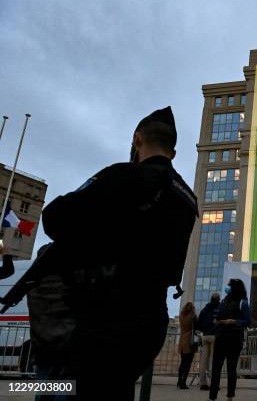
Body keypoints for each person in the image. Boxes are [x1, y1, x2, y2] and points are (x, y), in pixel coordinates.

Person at [36, 106, 198, 399]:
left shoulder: (126, 176)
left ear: (137, 139)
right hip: (149, 319)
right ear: (172, 151)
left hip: (105, 314)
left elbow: (55, 218)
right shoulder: (186, 195)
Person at [209, 279, 250, 401]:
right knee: (216, 368)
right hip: (221, 337)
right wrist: (217, 320)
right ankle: (212, 396)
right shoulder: (223, 300)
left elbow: (247, 321)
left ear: (235, 288)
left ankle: (230, 396)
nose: (227, 288)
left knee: (231, 369)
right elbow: (218, 316)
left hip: (234, 338)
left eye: (229, 286)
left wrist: (234, 321)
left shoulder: (243, 302)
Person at [197, 292, 220, 390]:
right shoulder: (220, 309)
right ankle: (213, 384)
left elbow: (199, 324)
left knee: (203, 360)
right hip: (215, 336)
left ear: (210, 299)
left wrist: (204, 330)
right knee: (214, 361)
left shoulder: (204, 310)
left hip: (205, 336)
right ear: (218, 299)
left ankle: (203, 383)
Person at [177, 302, 198, 389]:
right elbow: (197, 326)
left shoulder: (181, 316)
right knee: (188, 363)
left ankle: (179, 380)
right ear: (192, 308)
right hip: (190, 342)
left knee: (182, 363)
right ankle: (183, 382)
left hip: (182, 341)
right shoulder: (193, 316)